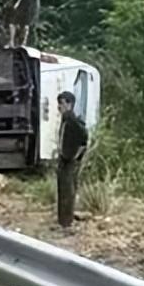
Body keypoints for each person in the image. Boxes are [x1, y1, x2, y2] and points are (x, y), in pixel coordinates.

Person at [56, 91, 89, 228]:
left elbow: (84, 140)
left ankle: (67, 223)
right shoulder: (65, 120)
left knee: (68, 192)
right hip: (63, 159)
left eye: (61, 103)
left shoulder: (74, 121)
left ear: (69, 104)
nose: (59, 107)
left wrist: (75, 157)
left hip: (69, 161)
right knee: (62, 190)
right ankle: (62, 221)